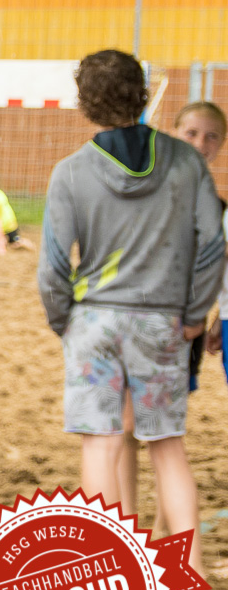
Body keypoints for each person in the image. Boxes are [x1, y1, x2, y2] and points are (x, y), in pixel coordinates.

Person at [38, 49, 224, 581]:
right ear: (142, 93)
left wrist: (65, 322)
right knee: (166, 446)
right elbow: (212, 245)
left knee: (101, 443)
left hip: (94, 320)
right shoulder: (186, 162)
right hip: (162, 321)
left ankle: (105, 569)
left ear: (84, 102)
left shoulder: (70, 172)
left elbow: (52, 267)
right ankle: (187, 570)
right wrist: (193, 313)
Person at [117, 100, 228, 532]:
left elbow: (217, 269)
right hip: (132, 323)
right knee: (125, 428)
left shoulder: (217, 209)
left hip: (183, 331)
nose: (201, 143)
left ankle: (166, 536)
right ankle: (127, 529)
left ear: (220, 146)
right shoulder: (143, 190)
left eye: (211, 136)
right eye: (191, 133)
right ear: (173, 134)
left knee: (162, 436)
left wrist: (210, 318)